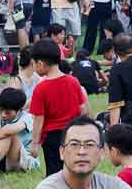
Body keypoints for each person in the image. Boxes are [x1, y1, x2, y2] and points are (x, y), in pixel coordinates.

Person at [28, 39, 88, 175]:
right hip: (73, 133)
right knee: (74, 167)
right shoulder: (73, 81)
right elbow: (82, 109)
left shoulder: (41, 88)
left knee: (55, 172)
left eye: (34, 64)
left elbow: (39, 119)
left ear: (41, 64)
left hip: (52, 137)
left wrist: (35, 142)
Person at [0, 87, 38, 173]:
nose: (3, 115)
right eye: (1, 110)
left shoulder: (27, 118)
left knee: (9, 135)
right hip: (3, 157)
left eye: (8, 112)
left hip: (24, 161)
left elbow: (8, 132)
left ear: (19, 110)